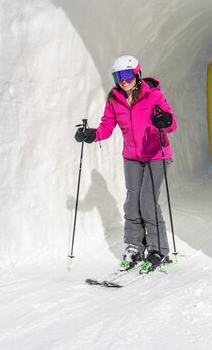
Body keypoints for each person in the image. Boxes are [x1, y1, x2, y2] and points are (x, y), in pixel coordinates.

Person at [74, 55, 177, 273]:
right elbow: (106, 126)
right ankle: (134, 247)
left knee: (147, 201)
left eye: (127, 74)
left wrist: (164, 121)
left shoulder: (154, 95)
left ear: (137, 74)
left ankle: (158, 250)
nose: (123, 80)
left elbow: (170, 122)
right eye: (118, 76)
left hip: (157, 155)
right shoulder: (115, 99)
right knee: (132, 202)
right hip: (132, 157)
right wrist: (91, 135)